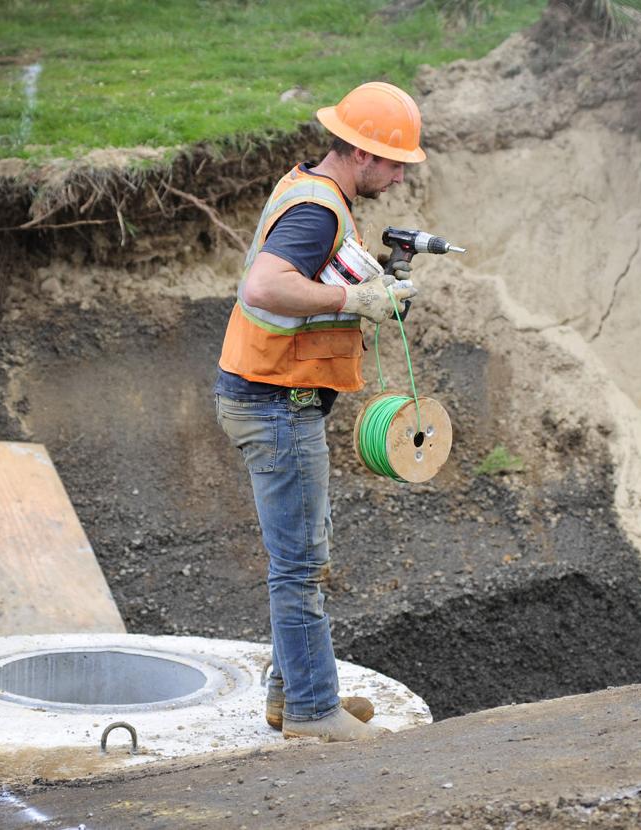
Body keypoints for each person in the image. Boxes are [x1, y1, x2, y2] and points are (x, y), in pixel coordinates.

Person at [214, 82, 426, 742]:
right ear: (362, 153)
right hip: (276, 403)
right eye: (395, 163)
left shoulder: (313, 190)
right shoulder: (317, 212)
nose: (398, 176)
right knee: (301, 566)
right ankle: (312, 712)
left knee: (302, 556)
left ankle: (293, 695)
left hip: (274, 396)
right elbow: (265, 285)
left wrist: (368, 291)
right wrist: (350, 303)